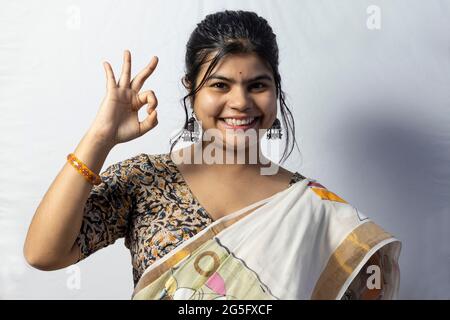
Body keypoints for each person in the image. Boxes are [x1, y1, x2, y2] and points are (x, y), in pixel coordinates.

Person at [23, 10, 401, 300]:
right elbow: (44, 253)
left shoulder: (316, 211)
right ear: (191, 90)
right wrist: (100, 137)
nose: (240, 102)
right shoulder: (147, 178)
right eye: (220, 85)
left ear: (275, 91)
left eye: (258, 85)